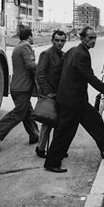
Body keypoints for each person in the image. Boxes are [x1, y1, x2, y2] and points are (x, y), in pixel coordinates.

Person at [44, 26, 104, 173]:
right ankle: (52, 163)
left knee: (95, 120)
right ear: (82, 38)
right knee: (65, 132)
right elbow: (90, 78)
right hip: (72, 101)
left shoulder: (73, 51)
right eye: (90, 38)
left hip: (74, 99)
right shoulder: (81, 54)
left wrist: (60, 90)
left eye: (94, 38)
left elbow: (57, 70)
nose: (93, 41)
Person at [0, 26, 39, 152]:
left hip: (17, 86)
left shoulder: (17, 47)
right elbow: (31, 66)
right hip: (22, 87)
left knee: (28, 112)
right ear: (29, 36)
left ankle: (34, 135)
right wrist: (43, 65)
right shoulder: (26, 47)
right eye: (32, 36)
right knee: (18, 114)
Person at [34, 30, 67, 158]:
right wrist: (48, 93)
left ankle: (56, 149)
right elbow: (40, 75)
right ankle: (40, 148)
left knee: (59, 123)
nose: (59, 43)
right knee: (47, 122)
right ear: (52, 40)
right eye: (57, 40)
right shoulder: (46, 54)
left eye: (62, 40)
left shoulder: (63, 55)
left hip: (60, 94)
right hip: (49, 95)